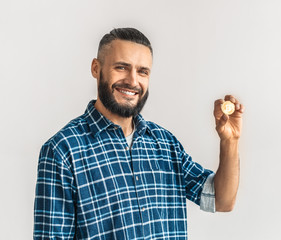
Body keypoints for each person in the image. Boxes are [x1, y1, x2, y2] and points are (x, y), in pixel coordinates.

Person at [34, 27, 245, 239]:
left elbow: (221, 200)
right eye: (122, 67)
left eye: (142, 71)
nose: (133, 81)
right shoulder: (63, 151)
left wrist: (230, 140)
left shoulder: (165, 144)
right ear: (96, 68)